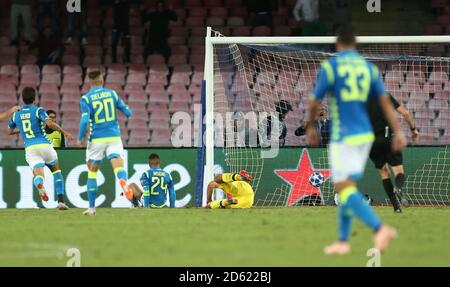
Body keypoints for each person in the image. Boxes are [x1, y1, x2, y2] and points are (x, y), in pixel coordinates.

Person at [306, 25, 407, 255]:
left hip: (344, 135)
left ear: (338, 44)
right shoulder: (368, 68)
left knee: (344, 189)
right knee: (346, 187)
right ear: (355, 44)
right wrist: (399, 130)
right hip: (365, 135)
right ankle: (343, 241)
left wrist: (311, 125)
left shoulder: (331, 67)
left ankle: (379, 228)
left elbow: (314, 102)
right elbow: (385, 102)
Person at [77, 69, 133, 216]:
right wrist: (127, 110)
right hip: (114, 137)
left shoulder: (86, 98)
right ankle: (123, 182)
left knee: (92, 172)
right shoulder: (112, 94)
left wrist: (79, 138)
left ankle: (91, 208)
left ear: (90, 82)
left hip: (97, 138)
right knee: (118, 166)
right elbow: (128, 112)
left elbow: (84, 120)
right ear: (102, 80)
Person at [7, 87, 73, 210]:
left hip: (31, 148)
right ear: (34, 98)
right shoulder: (38, 110)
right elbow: (50, 124)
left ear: (23, 98)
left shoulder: (16, 114)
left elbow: (9, 132)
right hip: (44, 145)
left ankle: (39, 184)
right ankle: (61, 202)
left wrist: (21, 130)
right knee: (56, 172)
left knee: (39, 175)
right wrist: (64, 132)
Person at [368, 91, 418, 212]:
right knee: (398, 171)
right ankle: (398, 187)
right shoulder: (384, 94)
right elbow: (405, 113)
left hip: (370, 141)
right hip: (389, 138)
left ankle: (396, 207)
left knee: (384, 173)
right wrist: (413, 130)